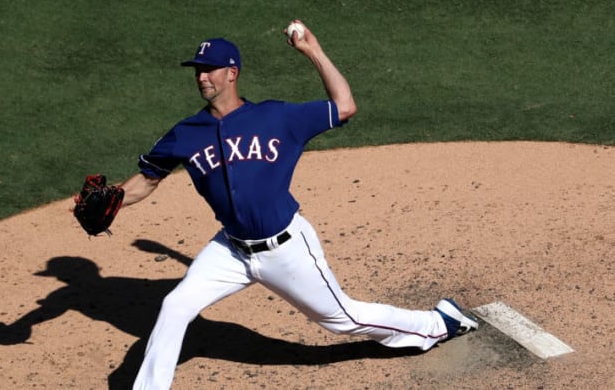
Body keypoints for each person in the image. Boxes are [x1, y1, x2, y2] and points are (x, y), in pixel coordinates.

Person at [119, 20, 478, 390]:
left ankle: (439, 323)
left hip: (286, 249)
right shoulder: (186, 132)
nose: (201, 78)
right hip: (229, 250)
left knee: (342, 318)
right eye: (197, 71)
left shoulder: (277, 118)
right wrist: (113, 203)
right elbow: (147, 178)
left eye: (209, 70)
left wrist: (313, 51)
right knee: (175, 306)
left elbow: (344, 105)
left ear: (232, 73)